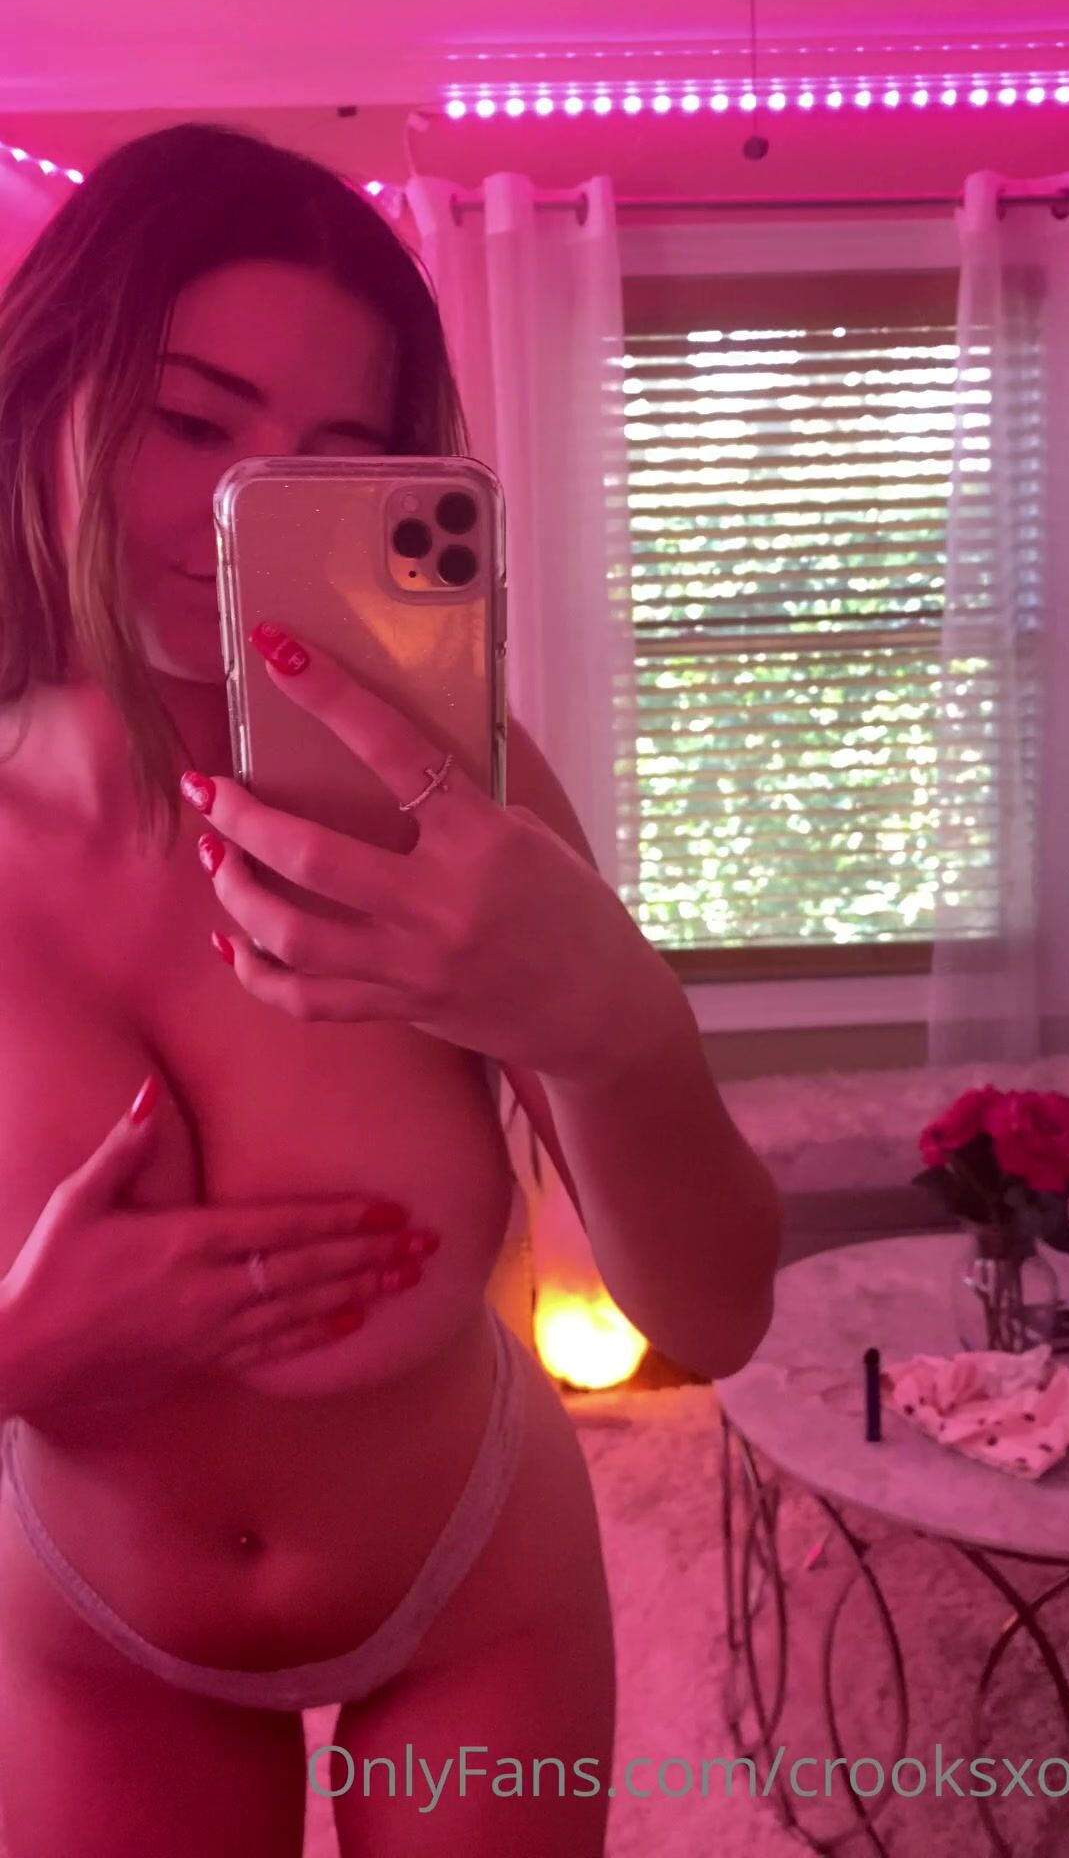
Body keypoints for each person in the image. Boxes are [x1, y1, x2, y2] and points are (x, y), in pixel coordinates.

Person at [0, 123, 782, 1857]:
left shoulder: (456, 803)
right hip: (97, 1627)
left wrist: (609, 1030)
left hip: (469, 1581)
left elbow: (720, 1314)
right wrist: (28, 1346)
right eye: (190, 423)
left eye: (327, 468)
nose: (235, 512)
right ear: (45, 395)